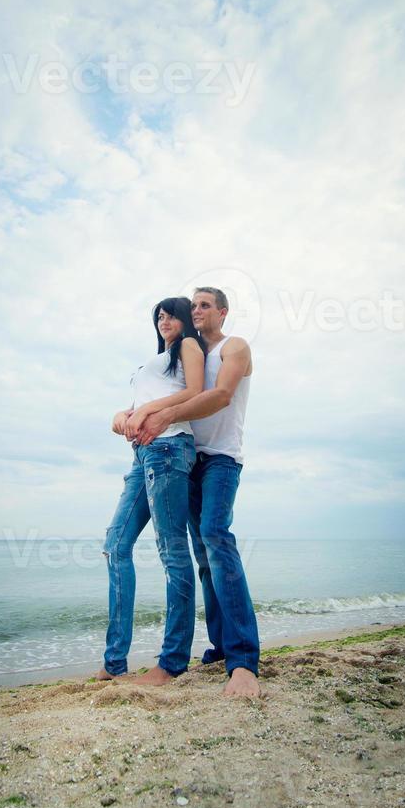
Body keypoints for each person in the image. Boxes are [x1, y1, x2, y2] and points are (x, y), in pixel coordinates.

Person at [134, 287, 261, 699]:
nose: (197, 310)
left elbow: (222, 395)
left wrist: (166, 414)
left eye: (205, 305)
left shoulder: (233, 347)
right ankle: (222, 647)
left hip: (221, 459)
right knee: (204, 556)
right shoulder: (186, 356)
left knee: (216, 538)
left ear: (223, 312)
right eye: (193, 306)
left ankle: (243, 661)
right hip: (188, 459)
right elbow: (154, 392)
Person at [97, 297, 207, 685]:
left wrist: (145, 412)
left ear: (183, 319)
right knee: (115, 545)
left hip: (170, 449)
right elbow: (137, 405)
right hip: (142, 455)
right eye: (158, 316)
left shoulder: (189, 346)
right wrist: (123, 413)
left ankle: (173, 661)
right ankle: (114, 663)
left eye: (170, 314)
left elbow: (195, 391)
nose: (163, 320)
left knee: (172, 552)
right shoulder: (154, 363)